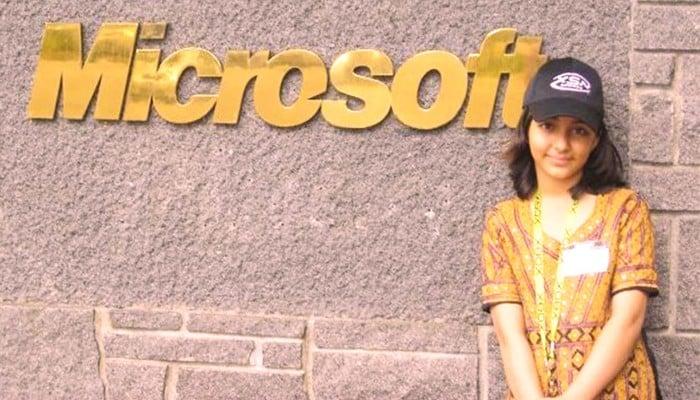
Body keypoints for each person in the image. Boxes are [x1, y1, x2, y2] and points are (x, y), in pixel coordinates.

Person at [480, 57, 659, 399]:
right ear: (527, 128)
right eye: (548, 126)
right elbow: (509, 335)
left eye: (578, 130)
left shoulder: (625, 211)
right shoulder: (502, 223)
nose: (561, 144)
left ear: (596, 140)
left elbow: (628, 320)